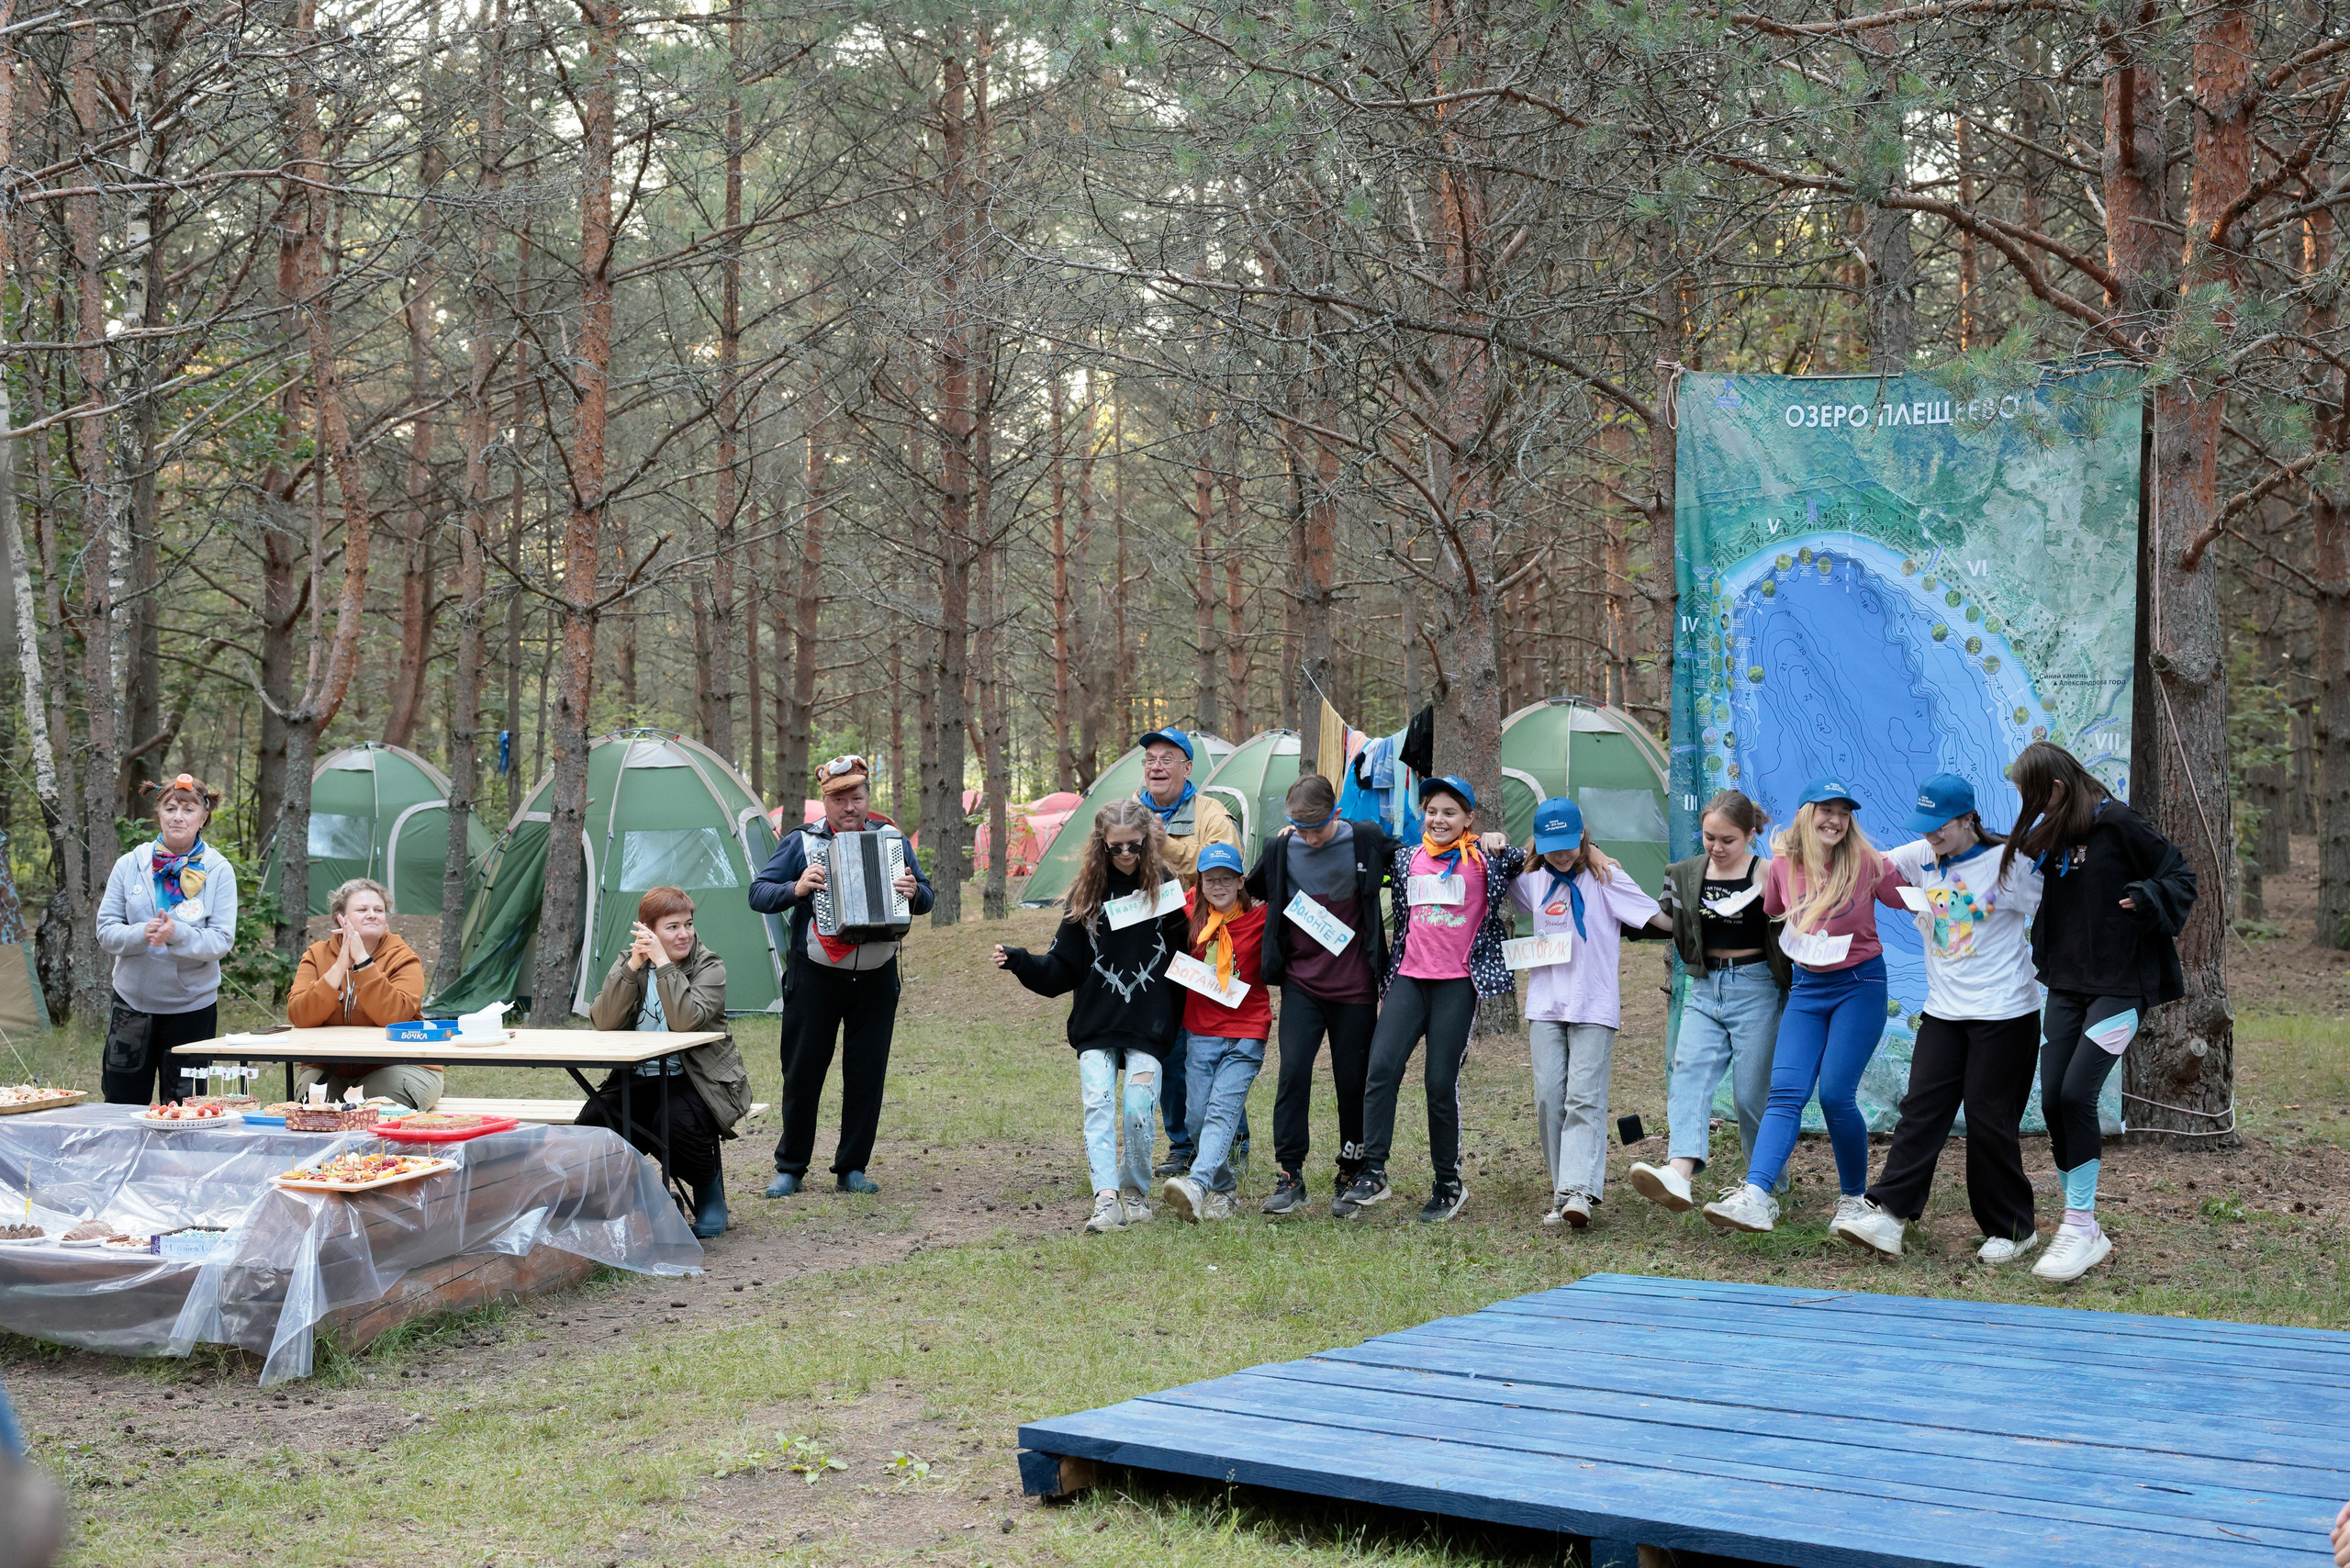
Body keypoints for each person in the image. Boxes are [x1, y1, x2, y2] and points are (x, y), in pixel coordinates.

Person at [1829, 774, 2046, 1264]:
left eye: (1940, 826)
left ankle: (2013, 1230)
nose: (1932, 836)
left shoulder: (2009, 864)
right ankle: (1889, 1215)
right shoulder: (1922, 855)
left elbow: (2059, 913)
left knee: (1990, 1120)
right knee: (1921, 1110)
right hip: (1943, 1012)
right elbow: (1872, 868)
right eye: (1924, 826)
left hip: (2005, 1013)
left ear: (1968, 817)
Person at [2002, 741, 2196, 1283]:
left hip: (2121, 985)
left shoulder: (2119, 822)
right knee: (2052, 1099)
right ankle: (2082, 1230)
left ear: (2058, 788)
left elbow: (2180, 875)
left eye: (2035, 795)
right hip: (2067, 984)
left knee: (2074, 1094)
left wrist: (2146, 895)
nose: (2031, 807)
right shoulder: (2056, 829)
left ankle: (2079, 1223)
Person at [1702, 776, 1908, 1236]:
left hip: (1860, 986)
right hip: (1807, 990)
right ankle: (1757, 1195)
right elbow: (1776, 908)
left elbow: (1907, 899)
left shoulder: (1868, 863)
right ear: (1805, 816)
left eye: (1843, 812)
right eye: (1825, 810)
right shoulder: (1781, 866)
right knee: (1786, 1093)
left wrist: (1941, 889)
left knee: (1835, 1094)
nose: (1834, 820)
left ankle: (1854, 1200)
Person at [994, 799, 1191, 1233]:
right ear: (1101, 845)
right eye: (1115, 847)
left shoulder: (1165, 888)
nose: (1125, 856)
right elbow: (1061, 969)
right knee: (1098, 1104)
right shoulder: (1085, 896)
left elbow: (1184, 959)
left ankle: (1136, 1191)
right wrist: (1020, 961)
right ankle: (1106, 1199)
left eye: (1134, 847)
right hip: (1097, 1024)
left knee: (1139, 1107)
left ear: (1147, 844)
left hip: (1149, 1024)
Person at [1341, 774, 1525, 1225]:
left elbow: (1540, 857)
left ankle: (1448, 1184)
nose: (1438, 819)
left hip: (1457, 984)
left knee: (1439, 1084)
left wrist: (1499, 840)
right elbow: (1354, 840)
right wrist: (1297, 828)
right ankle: (1374, 1171)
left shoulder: (1487, 858)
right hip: (1408, 979)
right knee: (1380, 1069)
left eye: (1449, 812)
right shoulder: (1406, 860)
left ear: (1468, 819)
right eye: (1432, 811)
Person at [749, 755, 934, 1198]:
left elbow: (925, 897)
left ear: (868, 798)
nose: (849, 806)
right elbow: (758, 893)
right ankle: (790, 1166)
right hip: (815, 976)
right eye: (839, 798)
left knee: (866, 1074)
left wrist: (914, 892)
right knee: (802, 1073)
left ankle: (852, 1166)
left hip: (875, 977)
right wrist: (796, 888)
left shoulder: (891, 840)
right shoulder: (802, 843)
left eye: (857, 796)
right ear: (824, 802)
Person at [1628, 790, 1790, 1214]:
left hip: (1757, 988)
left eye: (1727, 840)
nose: (1716, 848)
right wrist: (1620, 894)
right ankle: (1678, 1174)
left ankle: (1767, 1185)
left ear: (1750, 835)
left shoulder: (1769, 874)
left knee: (1751, 1096)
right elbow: (1669, 921)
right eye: (1709, 837)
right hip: (1704, 985)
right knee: (1689, 1075)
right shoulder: (1685, 873)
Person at [1246, 773, 1398, 1216]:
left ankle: (1351, 1169)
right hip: (1302, 985)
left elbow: (1416, 858)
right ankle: (1290, 1174)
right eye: (1301, 826)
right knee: (1292, 1072)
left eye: (1318, 826)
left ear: (1337, 812)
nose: (1310, 837)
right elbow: (1253, 887)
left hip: (1354, 987)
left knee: (1353, 1081)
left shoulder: (1364, 840)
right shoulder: (1282, 847)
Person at [1512, 797, 1668, 1228]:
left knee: (1584, 1096)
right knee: (1548, 1098)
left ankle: (1578, 1191)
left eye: (1568, 843)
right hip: (1545, 1004)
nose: (1560, 854)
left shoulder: (1606, 876)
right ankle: (1563, 1187)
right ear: (1538, 843)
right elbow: (1494, 870)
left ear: (1583, 835)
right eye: (1550, 845)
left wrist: (1697, 915)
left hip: (1594, 1003)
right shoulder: (1531, 882)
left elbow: (1656, 917)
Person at [581, 886, 755, 1239]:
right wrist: (632, 966)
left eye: (688, 924)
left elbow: (687, 1020)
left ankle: (710, 1194)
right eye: (672, 927)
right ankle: (649, 1199)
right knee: (592, 1126)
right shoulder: (632, 962)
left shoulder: (709, 966)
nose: (684, 934)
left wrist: (663, 965)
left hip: (698, 1080)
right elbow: (604, 1020)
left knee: (673, 1121)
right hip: (641, 1075)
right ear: (649, 931)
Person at [1132, 726, 1244, 1180]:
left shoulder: (1211, 811)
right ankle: (1182, 1144)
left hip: (1206, 947)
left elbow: (1225, 863)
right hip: (1152, 950)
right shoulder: (1131, 812)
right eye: (1150, 760)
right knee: (1169, 1045)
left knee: (1215, 1044)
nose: (1156, 766)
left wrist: (1166, 844)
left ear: (1187, 768)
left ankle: (1231, 1139)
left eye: (1166, 758)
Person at [95, 773, 240, 1106]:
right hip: (132, 1003)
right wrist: (139, 933)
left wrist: (178, 934)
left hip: (192, 1008)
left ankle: (178, 1161)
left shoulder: (218, 870)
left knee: (186, 1105)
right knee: (122, 1100)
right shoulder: (130, 864)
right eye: (170, 808)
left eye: (188, 809)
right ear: (158, 813)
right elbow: (105, 929)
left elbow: (220, 940)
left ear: (203, 817)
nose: (178, 816)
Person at [1162, 841, 1270, 1224]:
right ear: (1200, 883)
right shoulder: (1189, 910)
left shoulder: (1263, 916)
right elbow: (1147, 903)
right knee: (1195, 1120)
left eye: (1226, 879)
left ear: (1241, 881)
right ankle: (1224, 1191)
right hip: (1200, 1033)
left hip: (1246, 1032)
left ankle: (1198, 1183)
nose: (1218, 886)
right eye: (1210, 880)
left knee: (1222, 1114)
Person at [287, 878, 437, 1110]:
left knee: (376, 1105)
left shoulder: (404, 958)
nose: (372, 915)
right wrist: (338, 967)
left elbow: (395, 1016)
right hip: (328, 1068)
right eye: (362, 909)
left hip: (400, 1066)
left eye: (379, 910)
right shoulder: (316, 955)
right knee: (313, 1108)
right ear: (341, 917)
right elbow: (300, 1016)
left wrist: (364, 963)